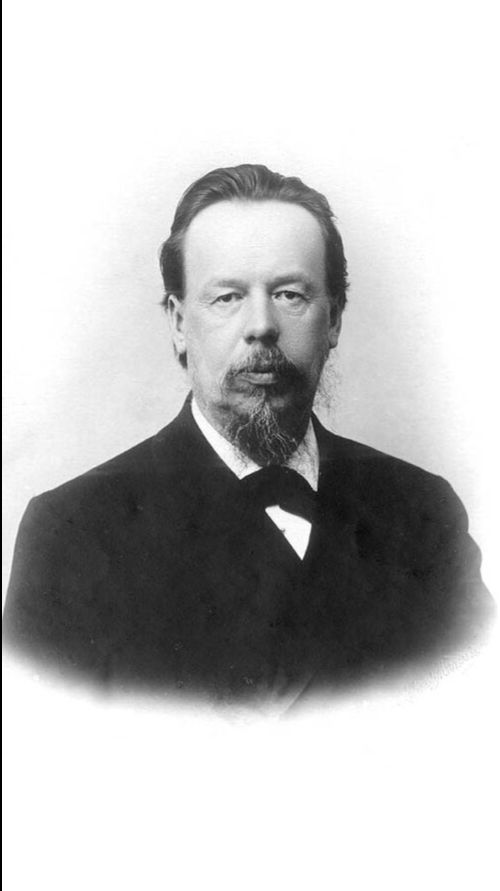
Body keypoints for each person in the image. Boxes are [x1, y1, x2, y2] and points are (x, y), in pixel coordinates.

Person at [3, 164, 494, 705]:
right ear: (179, 324)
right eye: (228, 297)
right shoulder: (73, 534)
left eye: (290, 294)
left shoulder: (422, 513)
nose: (261, 325)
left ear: (333, 320)